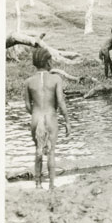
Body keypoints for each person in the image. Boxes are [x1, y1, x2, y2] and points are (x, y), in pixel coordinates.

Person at [24, 47, 71, 189]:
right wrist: (67, 121)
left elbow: (27, 105)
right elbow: (61, 102)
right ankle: (51, 185)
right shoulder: (56, 79)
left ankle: (38, 184)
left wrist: (35, 114)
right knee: (51, 152)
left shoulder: (28, 81)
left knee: (38, 151)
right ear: (49, 62)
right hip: (50, 117)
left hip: (36, 117)